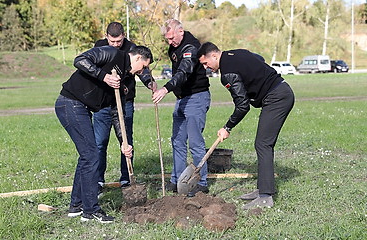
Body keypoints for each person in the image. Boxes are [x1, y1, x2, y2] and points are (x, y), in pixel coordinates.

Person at [55, 45, 153, 222]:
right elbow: (79, 60)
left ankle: (76, 205)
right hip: (70, 103)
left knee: (87, 155)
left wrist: (124, 142)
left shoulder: (123, 79)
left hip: (80, 108)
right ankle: (90, 210)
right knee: (92, 155)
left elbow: (117, 114)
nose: (143, 71)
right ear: (138, 57)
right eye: (144, 66)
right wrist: (104, 76)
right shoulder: (112, 54)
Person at [197, 42, 295, 209]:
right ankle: (262, 189)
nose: (207, 67)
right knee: (262, 144)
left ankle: (265, 197)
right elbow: (259, 59)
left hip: (277, 98)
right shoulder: (236, 53)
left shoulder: (227, 73)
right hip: (280, 91)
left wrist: (227, 127)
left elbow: (243, 105)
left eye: (206, 63)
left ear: (214, 55)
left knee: (263, 144)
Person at [93, 22, 156, 194]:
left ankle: (126, 179)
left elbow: (142, 69)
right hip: (103, 103)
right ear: (106, 37)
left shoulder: (132, 48)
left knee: (126, 142)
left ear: (124, 36)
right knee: (99, 143)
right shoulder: (99, 46)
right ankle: (97, 180)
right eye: (112, 42)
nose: (115, 45)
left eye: (119, 41)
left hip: (125, 101)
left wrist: (149, 82)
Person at [152, 19, 210, 197]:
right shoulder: (174, 46)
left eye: (171, 38)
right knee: (177, 140)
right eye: (167, 39)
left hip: (196, 97)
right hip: (182, 99)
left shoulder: (191, 47)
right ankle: (177, 180)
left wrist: (166, 88)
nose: (170, 42)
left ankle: (201, 182)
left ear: (181, 31)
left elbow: (184, 71)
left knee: (195, 143)